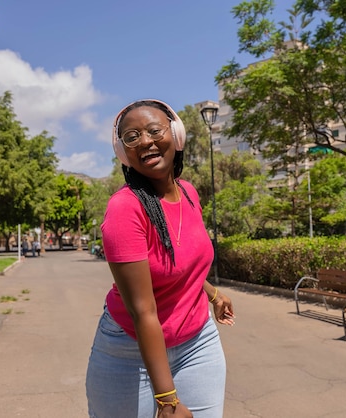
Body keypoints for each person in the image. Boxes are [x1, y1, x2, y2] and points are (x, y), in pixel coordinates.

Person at [86, 99, 235, 418]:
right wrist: (167, 400)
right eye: (132, 136)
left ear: (176, 135)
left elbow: (181, 266)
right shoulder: (125, 209)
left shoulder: (189, 193)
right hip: (130, 349)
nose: (145, 141)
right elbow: (142, 309)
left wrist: (213, 293)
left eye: (154, 130)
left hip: (198, 341)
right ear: (123, 151)